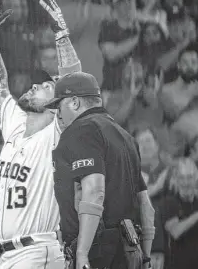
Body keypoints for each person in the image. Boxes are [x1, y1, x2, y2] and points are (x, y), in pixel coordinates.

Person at [0, 0, 82, 268]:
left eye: (47, 85)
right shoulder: (14, 121)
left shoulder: (58, 131)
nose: (36, 84)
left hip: (38, 250)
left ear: (58, 101)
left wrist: (61, 36)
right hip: (7, 254)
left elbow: (75, 85)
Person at [44, 72, 155, 269]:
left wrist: (82, 254)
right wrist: (145, 257)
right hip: (130, 251)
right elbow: (146, 206)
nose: (58, 116)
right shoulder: (126, 137)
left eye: (59, 107)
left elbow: (94, 191)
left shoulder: (81, 129)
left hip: (96, 252)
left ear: (75, 102)